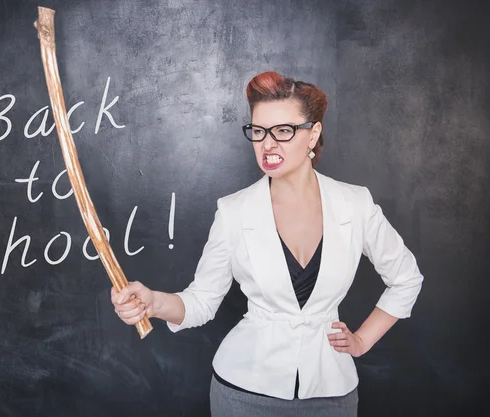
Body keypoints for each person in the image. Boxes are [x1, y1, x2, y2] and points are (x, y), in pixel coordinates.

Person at [110, 71, 424, 417]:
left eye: (284, 131)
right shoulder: (233, 211)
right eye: (258, 132)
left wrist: (363, 340)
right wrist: (152, 302)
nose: (268, 144)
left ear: (313, 134)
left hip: (332, 394)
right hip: (244, 394)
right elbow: (201, 302)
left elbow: (406, 279)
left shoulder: (355, 203)